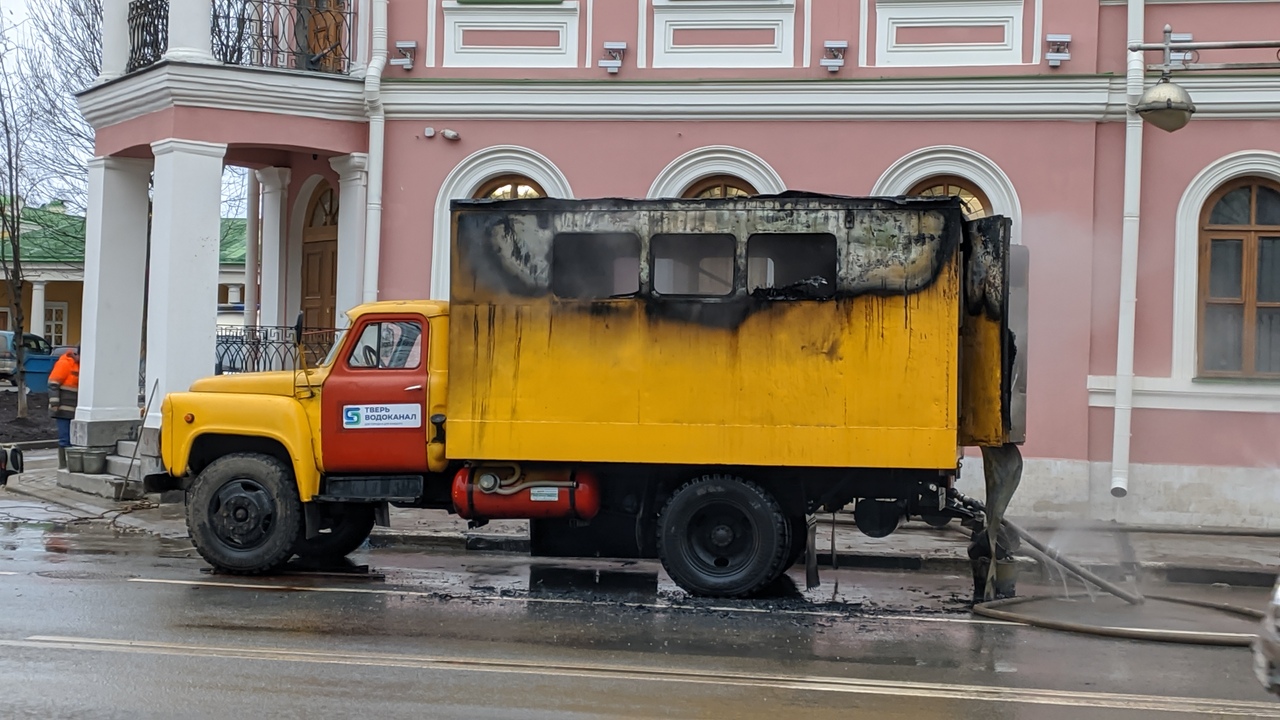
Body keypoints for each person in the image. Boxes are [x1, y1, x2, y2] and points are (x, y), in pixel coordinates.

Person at [48, 347, 80, 470]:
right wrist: (55, 404)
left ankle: (71, 465)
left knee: (72, 439)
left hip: (74, 410)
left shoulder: (80, 365)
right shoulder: (65, 364)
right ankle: (63, 465)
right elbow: (53, 384)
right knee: (65, 438)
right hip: (63, 409)